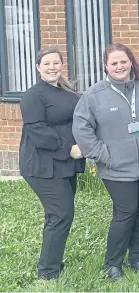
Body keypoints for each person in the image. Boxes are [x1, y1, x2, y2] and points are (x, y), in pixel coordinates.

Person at [73, 43, 139, 280]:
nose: (119, 67)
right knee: (126, 212)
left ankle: (136, 259)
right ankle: (112, 265)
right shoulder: (94, 95)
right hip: (116, 168)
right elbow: (81, 128)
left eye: (123, 61)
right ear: (106, 66)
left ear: (130, 62)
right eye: (114, 63)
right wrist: (103, 155)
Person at [19, 47, 86, 281]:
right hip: (42, 165)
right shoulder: (33, 95)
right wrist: (69, 148)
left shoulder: (65, 91)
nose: (52, 67)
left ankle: (52, 262)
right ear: (38, 67)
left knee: (58, 215)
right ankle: (48, 272)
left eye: (56, 63)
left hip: (64, 163)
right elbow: (37, 131)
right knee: (61, 214)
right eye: (46, 63)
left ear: (61, 65)